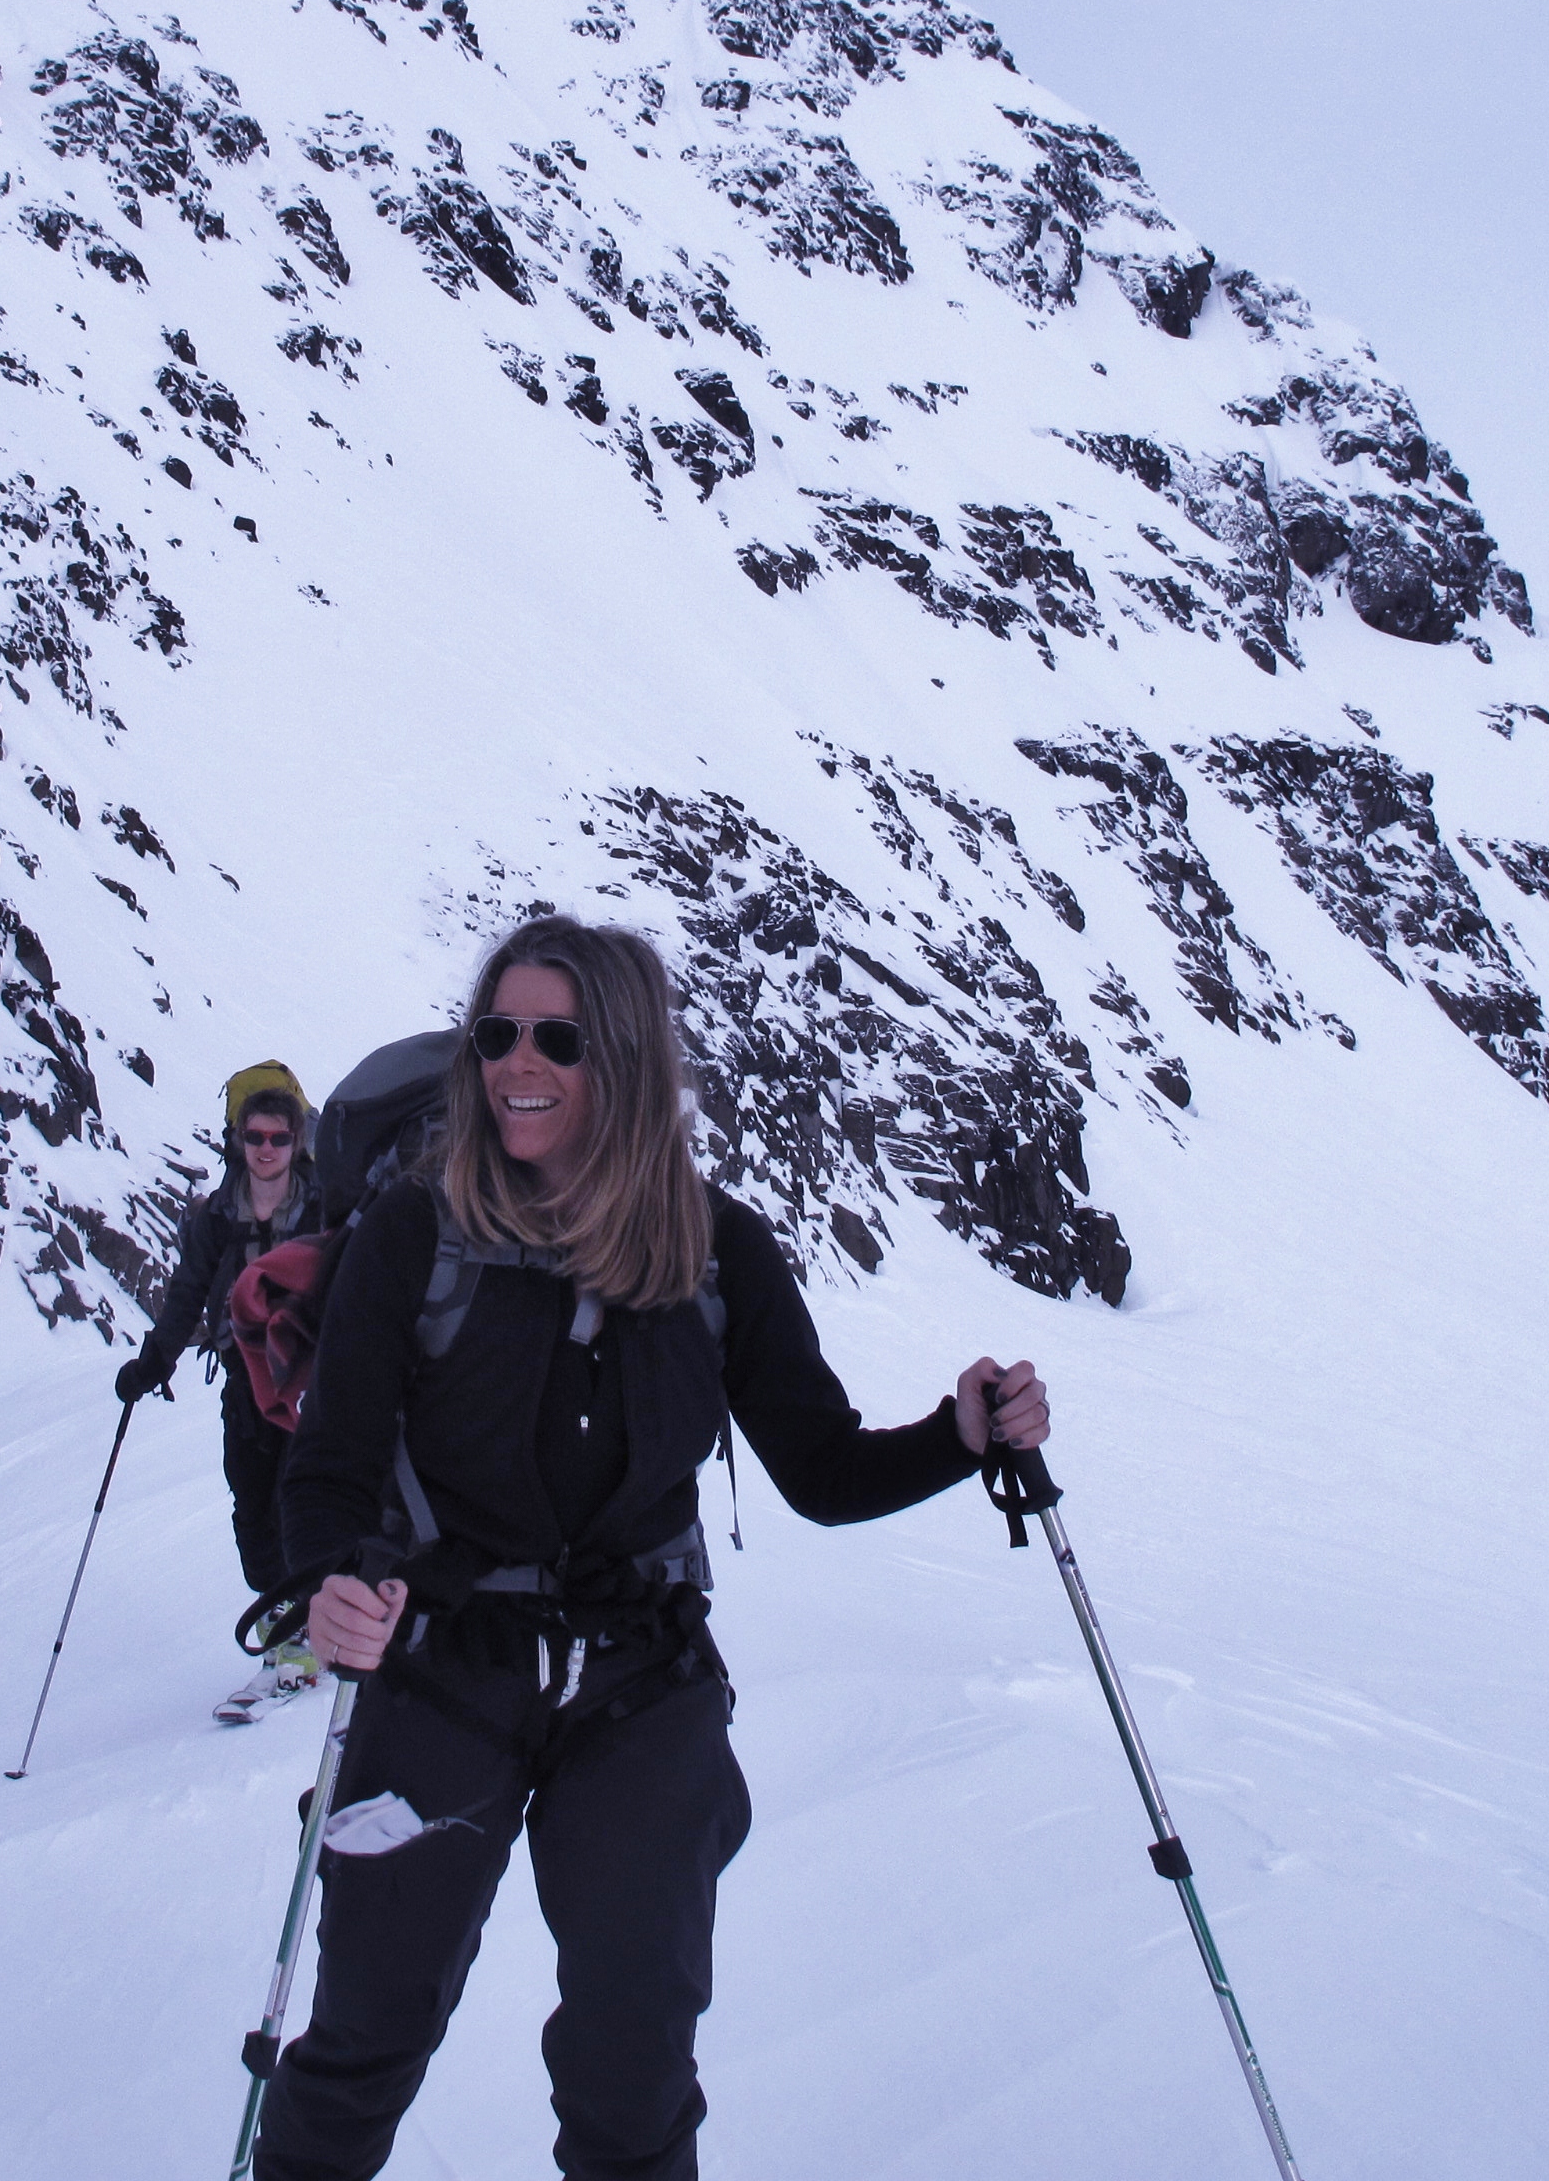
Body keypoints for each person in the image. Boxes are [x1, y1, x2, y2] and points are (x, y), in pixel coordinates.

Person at [252, 914, 1050, 2181]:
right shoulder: (415, 1233)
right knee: (367, 2040)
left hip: (643, 1684)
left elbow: (824, 1472)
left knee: (634, 2072)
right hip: (445, 1667)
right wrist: (342, 1578)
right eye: (498, 1032)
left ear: (621, 1056)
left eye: (556, 1038)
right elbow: (329, 1471)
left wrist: (958, 1439)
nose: (519, 1061)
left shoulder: (715, 1249)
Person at [120, 1062, 323, 1717]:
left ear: (297, 1142)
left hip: (310, 1381)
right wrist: (154, 1362)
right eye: (255, 1137)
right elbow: (187, 1291)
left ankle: (299, 1644)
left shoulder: (321, 1208)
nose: (266, 1149)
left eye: (278, 1139)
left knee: (301, 1504)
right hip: (245, 1378)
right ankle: (289, 1631)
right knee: (251, 1510)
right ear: (238, 1140)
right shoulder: (216, 1219)